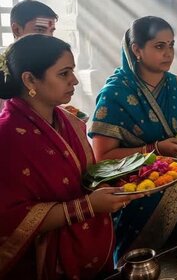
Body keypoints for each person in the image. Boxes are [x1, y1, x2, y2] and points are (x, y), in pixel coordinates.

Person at [0, 35, 140, 279]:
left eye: (72, 71)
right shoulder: (8, 137)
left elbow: (84, 178)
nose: (74, 80)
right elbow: (10, 219)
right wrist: (88, 206)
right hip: (41, 262)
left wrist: (120, 185)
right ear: (30, 79)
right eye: (64, 73)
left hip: (89, 247)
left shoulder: (69, 121)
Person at [89, 16, 177, 263]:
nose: (168, 53)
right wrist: (156, 149)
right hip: (140, 201)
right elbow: (102, 159)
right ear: (136, 50)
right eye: (159, 46)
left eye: (171, 45)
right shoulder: (116, 94)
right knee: (142, 267)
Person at [0, 0, 58, 112]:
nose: (48, 38)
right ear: (16, 29)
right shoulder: (4, 68)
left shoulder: (49, 63)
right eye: (40, 30)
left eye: (51, 31)